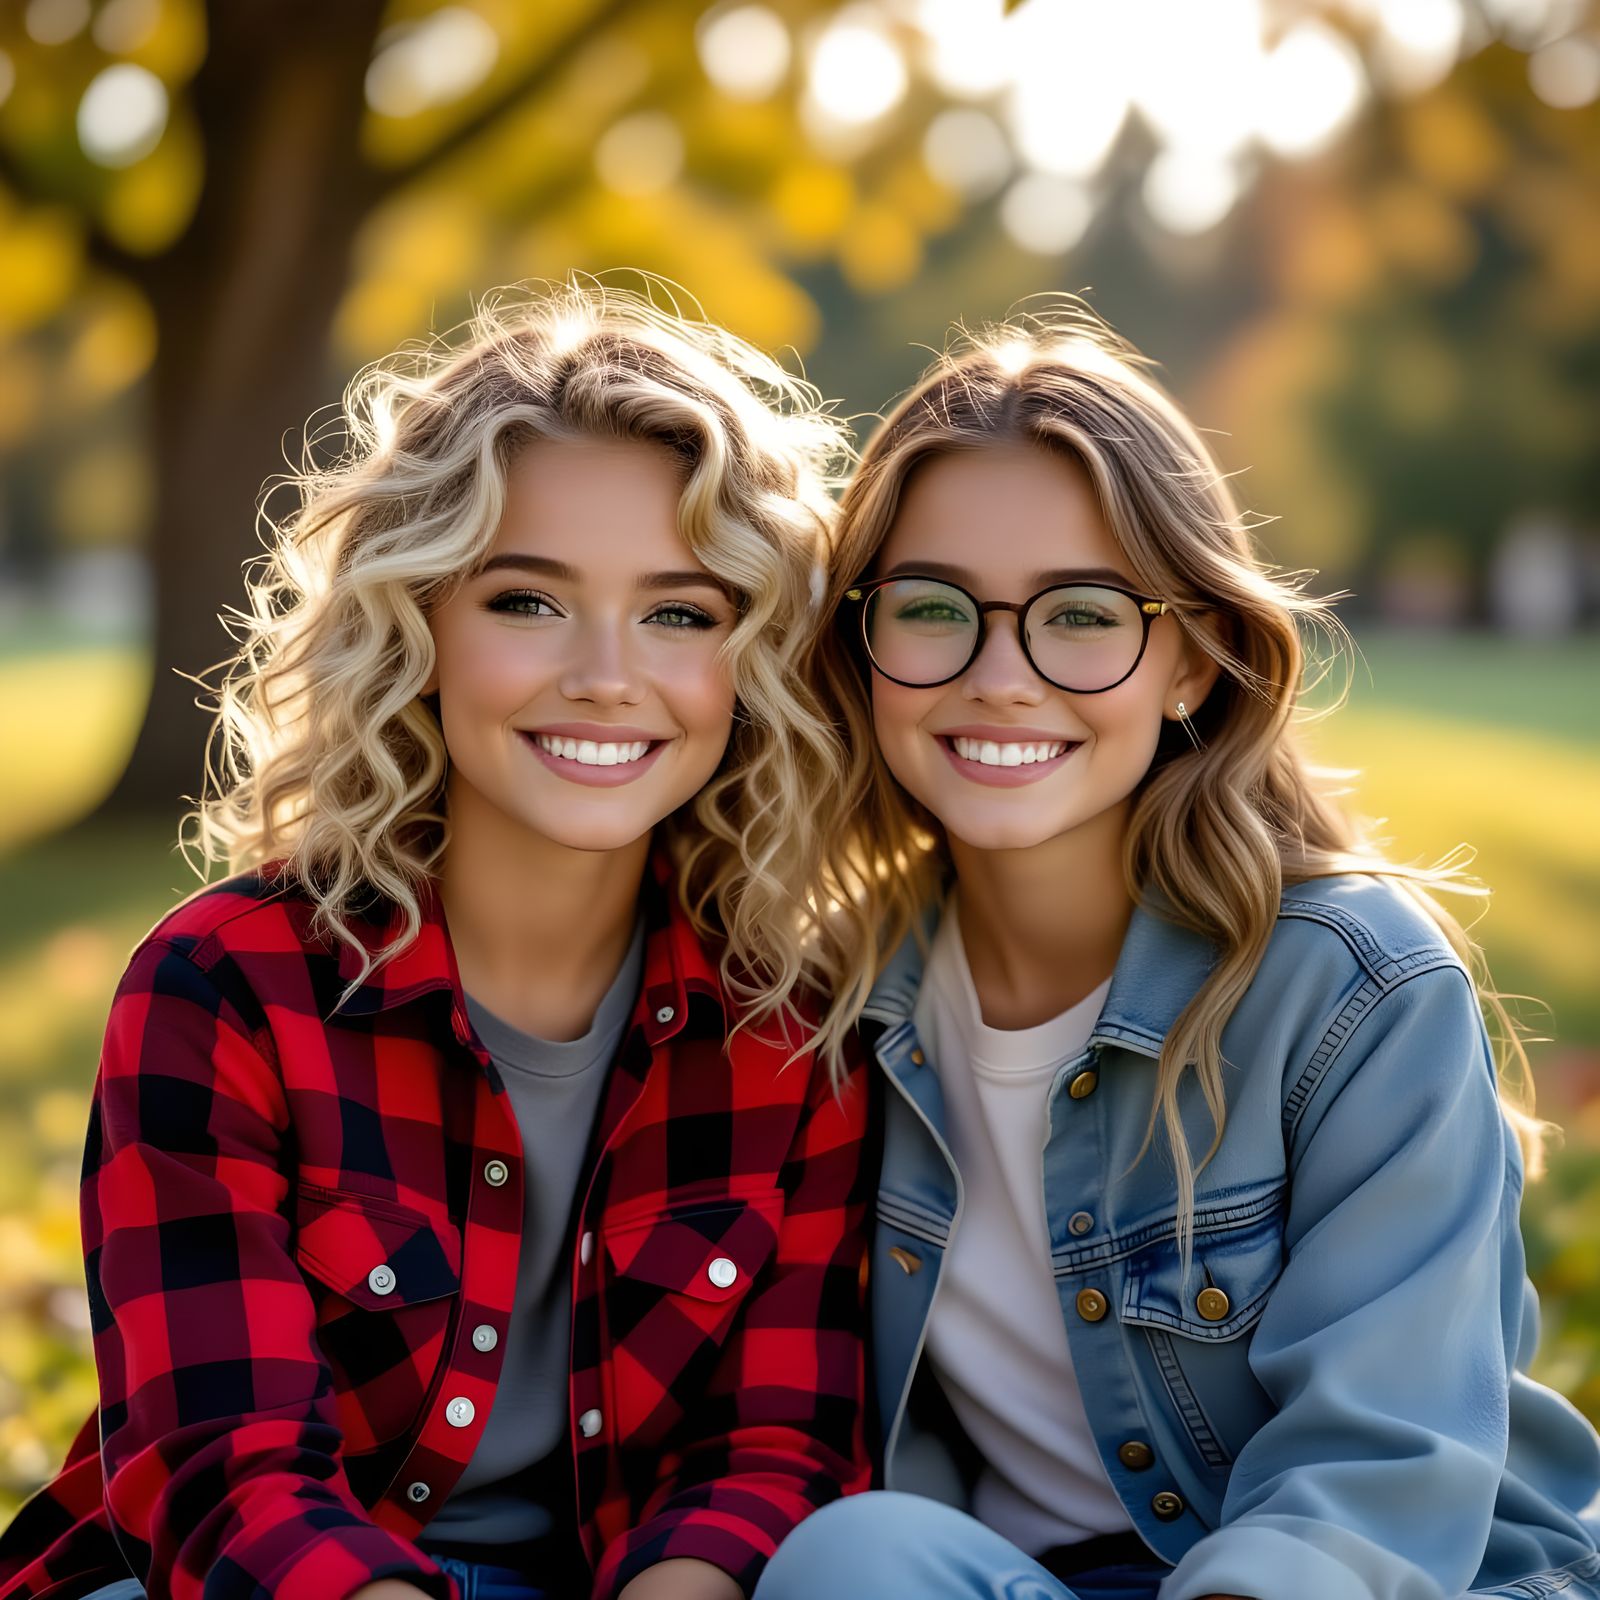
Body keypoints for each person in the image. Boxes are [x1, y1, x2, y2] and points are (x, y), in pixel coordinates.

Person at [0, 280, 871, 1600]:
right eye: (527, 601)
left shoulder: (795, 1031)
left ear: (751, 662)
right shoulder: (225, 990)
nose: (606, 675)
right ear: (416, 626)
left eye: (681, 613)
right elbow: (223, 1473)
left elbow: (769, 1454)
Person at [755, 306, 1600, 1600]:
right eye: (932, 608)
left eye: (1083, 615)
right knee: (851, 1557)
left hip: (1366, 1580)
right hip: (1032, 1579)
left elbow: (1373, 1475)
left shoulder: (1354, 991)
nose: (1001, 676)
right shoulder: (837, 1001)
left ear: (1195, 662)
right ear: (859, 651)